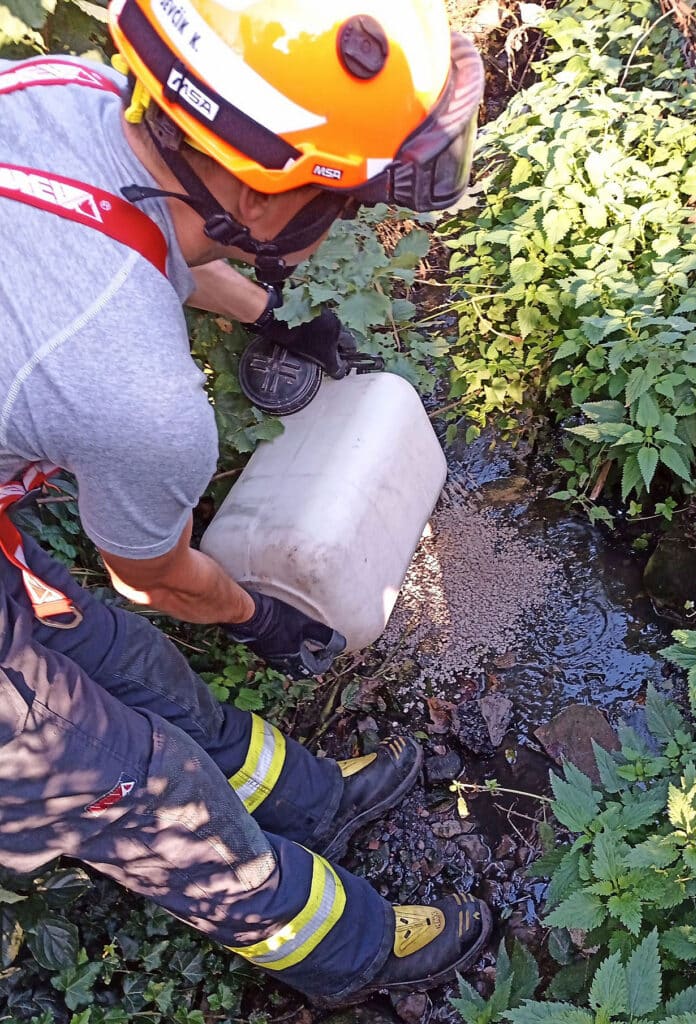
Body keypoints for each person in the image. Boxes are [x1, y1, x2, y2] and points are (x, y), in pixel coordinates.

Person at [0, 0, 489, 1006]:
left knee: (124, 663)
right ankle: (346, 948)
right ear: (267, 204)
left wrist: (275, 314)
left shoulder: (61, 94)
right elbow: (156, 579)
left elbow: (133, 229)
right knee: (143, 786)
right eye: (341, 201)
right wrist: (261, 616)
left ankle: (308, 798)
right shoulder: (136, 399)